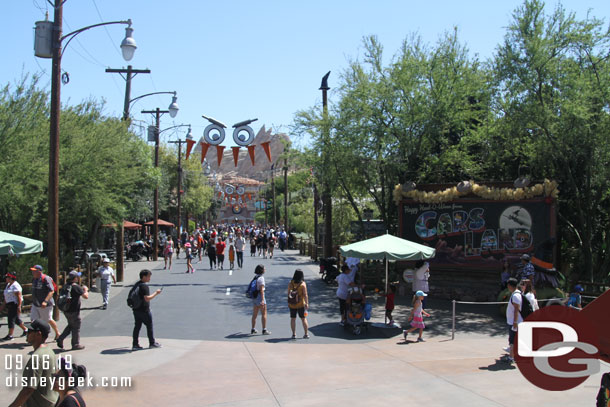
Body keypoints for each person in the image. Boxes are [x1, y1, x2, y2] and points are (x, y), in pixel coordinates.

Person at [8, 319, 58, 407]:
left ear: (38, 334)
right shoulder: (49, 351)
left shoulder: (37, 357)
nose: (27, 333)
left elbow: (28, 389)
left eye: (30, 331)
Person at [56, 271, 88, 351]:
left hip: (66, 310)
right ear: (75, 278)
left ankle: (61, 338)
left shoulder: (66, 286)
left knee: (71, 325)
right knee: (76, 327)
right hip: (74, 310)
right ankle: (75, 344)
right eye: (77, 277)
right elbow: (85, 296)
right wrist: (85, 290)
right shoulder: (75, 287)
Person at [132, 269, 162, 350]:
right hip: (144, 309)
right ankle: (152, 343)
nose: (149, 278)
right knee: (149, 326)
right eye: (149, 276)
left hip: (136, 309)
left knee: (137, 326)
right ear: (144, 277)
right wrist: (156, 293)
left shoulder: (137, 284)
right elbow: (147, 298)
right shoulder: (144, 286)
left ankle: (135, 344)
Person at [30, 265, 61, 340]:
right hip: (35, 304)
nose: (32, 272)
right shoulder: (34, 279)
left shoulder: (46, 278)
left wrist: (45, 301)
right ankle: (36, 337)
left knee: (48, 320)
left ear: (39, 271)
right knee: (33, 320)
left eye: (34, 271)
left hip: (45, 304)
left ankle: (57, 333)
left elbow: (51, 290)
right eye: (32, 270)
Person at [0, 273, 28, 340]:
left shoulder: (15, 285)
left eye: (7, 277)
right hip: (9, 303)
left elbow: (19, 296)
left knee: (11, 319)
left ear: (11, 278)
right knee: (16, 319)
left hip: (15, 304)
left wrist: (19, 306)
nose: (6, 279)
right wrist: (2, 306)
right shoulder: (8, 285)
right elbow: (7, 297)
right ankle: (26, 330)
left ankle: (10, 335)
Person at [503, 277, 523, 364]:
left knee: (512, 340)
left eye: (508, 285)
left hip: (515, 322)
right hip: (513, 321)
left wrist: (515, 322)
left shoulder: (516, 296)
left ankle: (511, 357)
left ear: (510, 286)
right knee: (513, 339)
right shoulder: (516, 294)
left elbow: (516, 310)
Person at [287, 269, 309, 339]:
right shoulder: (303, 284)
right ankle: (306, 334)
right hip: (301, 304)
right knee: (303, 319)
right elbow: (305, 295)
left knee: (293, 319)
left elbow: (288, 293)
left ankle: (294, 334)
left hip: (292, 304)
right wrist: (307, 303)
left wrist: (288, 301)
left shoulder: (290, 283)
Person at [251, 264, 270, 335]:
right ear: (261, 270)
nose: (265, 269)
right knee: (264, 313)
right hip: (260, 297)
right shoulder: (261, 278)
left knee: (254, 314)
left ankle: (253, 328)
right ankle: (264, 329)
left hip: (255, 297)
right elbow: (262, 290)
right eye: (264, 268)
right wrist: (262, 300)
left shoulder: (255, 277)